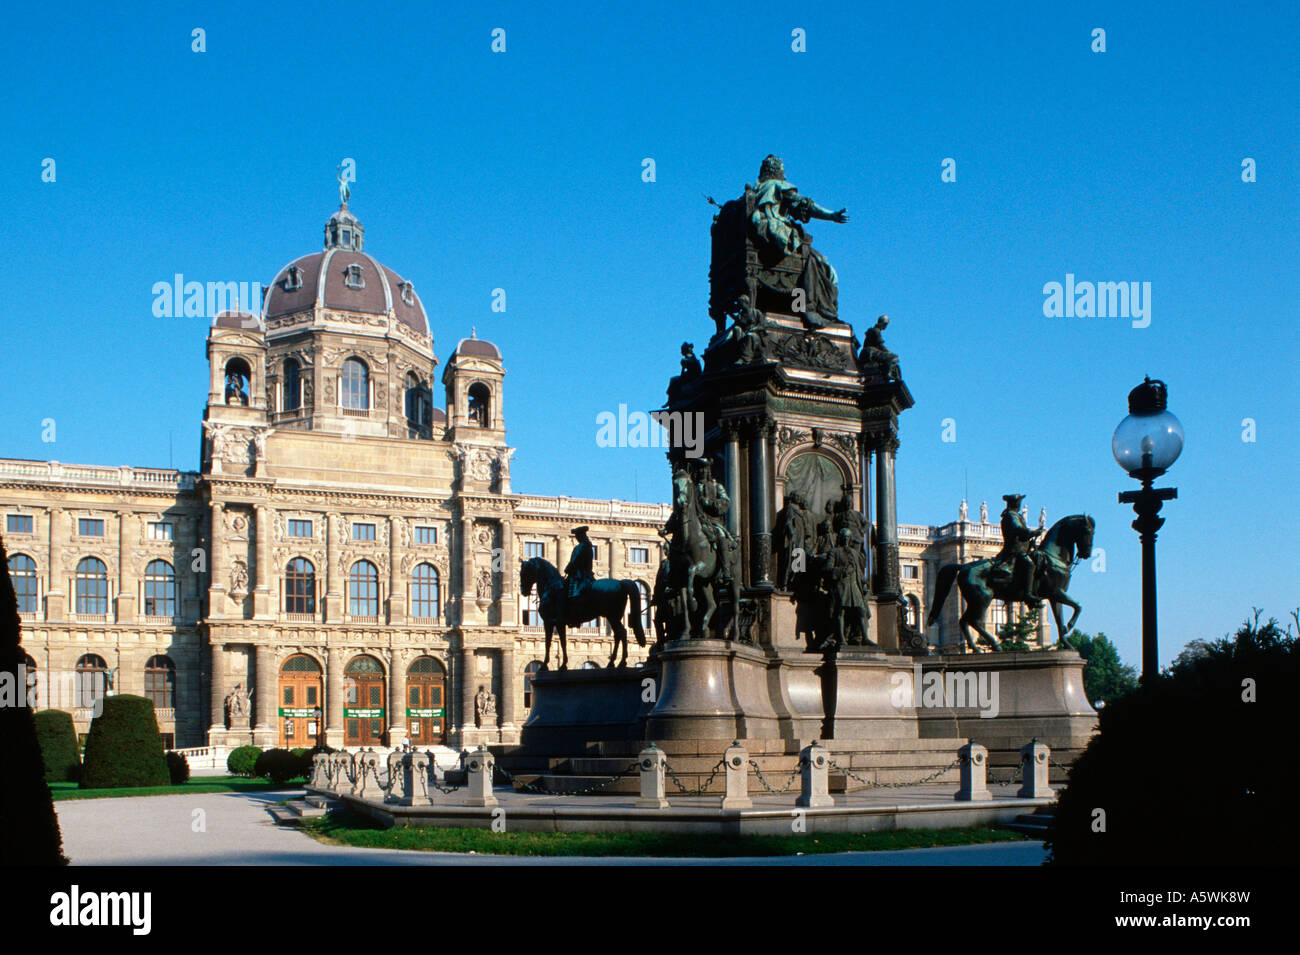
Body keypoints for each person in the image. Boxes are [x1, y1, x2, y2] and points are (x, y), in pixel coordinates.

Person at [994, 493, 1041, 603]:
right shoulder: (1011, 515)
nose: (1020, 505)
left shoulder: (1015, 515)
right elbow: (1017, 529)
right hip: (1014, 550)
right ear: (1015, 504)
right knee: (1030, 565)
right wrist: (1032, 532)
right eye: (1019, 502)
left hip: (1021, 548)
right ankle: (1028, 594)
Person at [563, 525, 594, 603]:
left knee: (565, 588)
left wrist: (568, 569)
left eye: (577, 536)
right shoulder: (587, 546)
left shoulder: (581, 547)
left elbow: (575, 561)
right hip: (586, 573)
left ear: (581, 536)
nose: (577, 538)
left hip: (579, 573)